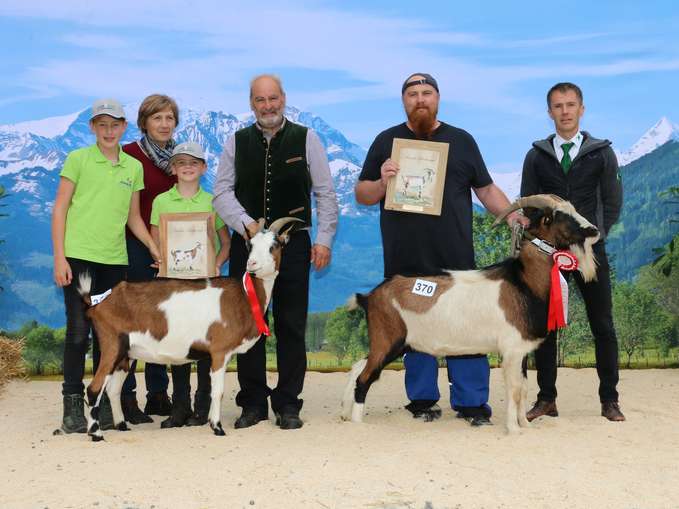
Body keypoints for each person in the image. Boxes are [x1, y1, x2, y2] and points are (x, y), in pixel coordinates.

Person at [355, 73, 523, 426]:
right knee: (415, 329)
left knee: (468, 325)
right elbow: (363, 195)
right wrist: (383, 181)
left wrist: (512, 216)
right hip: (407, 261)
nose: (420, 99)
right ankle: (422, 400)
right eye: (413, 94)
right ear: (404, 101)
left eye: (426, 93)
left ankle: (472, 403)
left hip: (456, 261)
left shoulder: (462, 140)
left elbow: (487, 189)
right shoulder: (386, 142)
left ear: (438, 98)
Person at [213, 74, 338, 430]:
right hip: (248, 246)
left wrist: (324, 239)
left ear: (283, 98)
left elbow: (325, 193)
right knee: (248, 322)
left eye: (273, 98)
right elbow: (221, 194)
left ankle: (288, 403)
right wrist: (247, 224)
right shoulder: (236, 142)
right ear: (251, 103)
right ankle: (252, 403)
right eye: (260, 100)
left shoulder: (307, 138)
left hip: (293, 246)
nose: (267, 106)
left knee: (291, 323)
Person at [52, 98, 160, 433]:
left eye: (115, 125)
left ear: (124, 127)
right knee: (77, 332)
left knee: (110, 336)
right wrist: (59, 257)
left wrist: (154, 248)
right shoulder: (77, 159)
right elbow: (60, 210)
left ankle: (99, 407)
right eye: (102, 124)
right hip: (79, 257)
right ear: (92, 128)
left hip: (115, 262)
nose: (108, 130)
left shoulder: (133, 168)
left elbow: (133, 218)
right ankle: (72, 409)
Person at [521, 82, 625, 422]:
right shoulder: (536, 155)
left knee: (603, 325)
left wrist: (595, 238)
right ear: (549, 112)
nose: (564, 111)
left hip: (590, 253)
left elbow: (611, 203)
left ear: (581, 109)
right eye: (558, 106)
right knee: (546, 326)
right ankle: (546, 398)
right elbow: (530, 205)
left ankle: (609, 399)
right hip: (550, 255)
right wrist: (544, 241)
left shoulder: (602, 153)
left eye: (570, 105)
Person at [149, 141, 230, 428]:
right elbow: (155, 241)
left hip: (205, 287)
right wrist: (159, 259)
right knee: (179, 343)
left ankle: (203, 404)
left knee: (207, 344)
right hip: (173, 287)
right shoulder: (161, 202)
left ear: (203, 167)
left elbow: (225, 243)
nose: (187, 167)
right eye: (181, 162)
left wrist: (217, 263)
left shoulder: (213, 202)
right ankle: (180, 406)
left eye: (193, 162)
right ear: (173, 168)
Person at [120, 94, 180, 422]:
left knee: (160, 320)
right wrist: (153, 248)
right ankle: (127, 395)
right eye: (157, 118)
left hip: (170, 250)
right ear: (144, 122)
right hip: (134, 246)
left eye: (169, 118)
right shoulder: (129, 155)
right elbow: (130, 211)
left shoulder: (179, 158)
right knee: (132, 320)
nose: (164, 124)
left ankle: (158, 393)